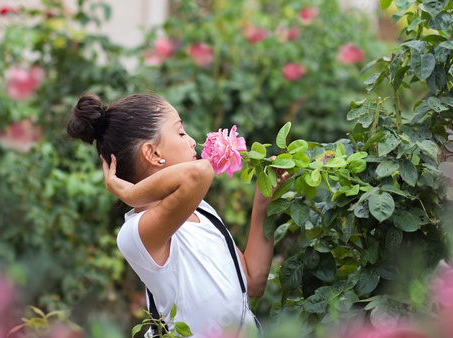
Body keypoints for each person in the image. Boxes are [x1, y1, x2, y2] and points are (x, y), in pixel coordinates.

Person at [67, 93, 289, 337]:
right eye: (181, 133)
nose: (192, 141)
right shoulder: (135, 234)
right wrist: (130, 194)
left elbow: (252, 282)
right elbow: (200, 172)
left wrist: (263, 202)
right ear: (152, 154)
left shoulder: (202, 211)